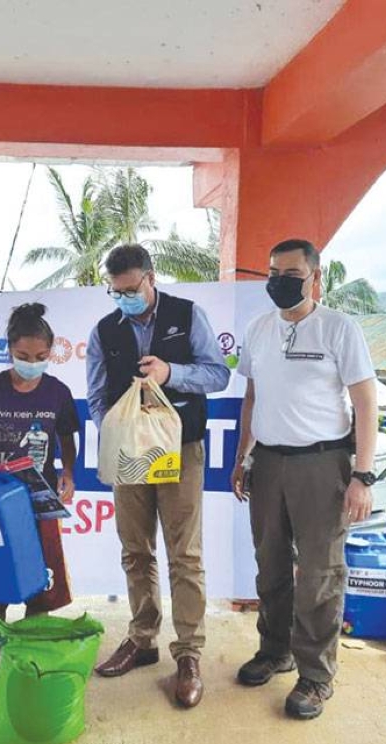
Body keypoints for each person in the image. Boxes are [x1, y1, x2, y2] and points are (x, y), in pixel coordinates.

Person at [231, 238, 378, 720]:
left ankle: (316, 676)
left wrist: (362, 475)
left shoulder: (339, 329)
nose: (279, 281)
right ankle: (276, 651)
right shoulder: (257, 329)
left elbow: (364, 404)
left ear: (315, 277)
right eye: (273, 272)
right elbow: (252, 399)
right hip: (268, 463)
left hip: (323, 465)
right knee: (270, 564)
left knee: (319, 575)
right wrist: (242, 457)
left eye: (291, 273)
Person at [86, 244, 230, 709]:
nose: (124, 297)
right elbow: (95, 396)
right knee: (135, 549)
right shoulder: (103, 330)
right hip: (130, 453)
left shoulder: (188, 316)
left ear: (151, 277)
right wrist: (114, 432)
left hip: (181, 448)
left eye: (131, 288)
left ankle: (188, 654)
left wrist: (172, 373)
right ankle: (142, 638)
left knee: (184, 553)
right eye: (116, 291)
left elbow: (217, 375)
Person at [0, 303, 78, 693]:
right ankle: (0, 661)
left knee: (40, 585)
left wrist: (70, 474)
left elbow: (68, 441)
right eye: (23, 357)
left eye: (41, 358)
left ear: (51, 353)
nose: (32, 365)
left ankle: (29, 659)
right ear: (9, 350)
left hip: (38, 505)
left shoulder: (59, 392)